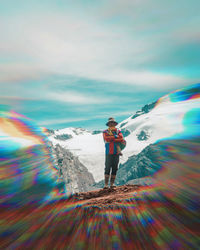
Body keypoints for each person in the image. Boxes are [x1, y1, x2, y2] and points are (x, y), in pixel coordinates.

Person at [103, 117, 124, 188]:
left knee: (115, 168)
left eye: (112, 123)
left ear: (114, 124)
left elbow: (121, 138)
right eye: (110, 123)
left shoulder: (118, 131)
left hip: (116, 152)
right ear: (108, 124)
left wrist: (112, 138)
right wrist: (116, 137)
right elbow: (106, 138)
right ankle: (106, 184)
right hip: (108, 152)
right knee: (107, 168)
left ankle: (111, 184)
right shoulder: (105, 132)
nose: (111, 124)